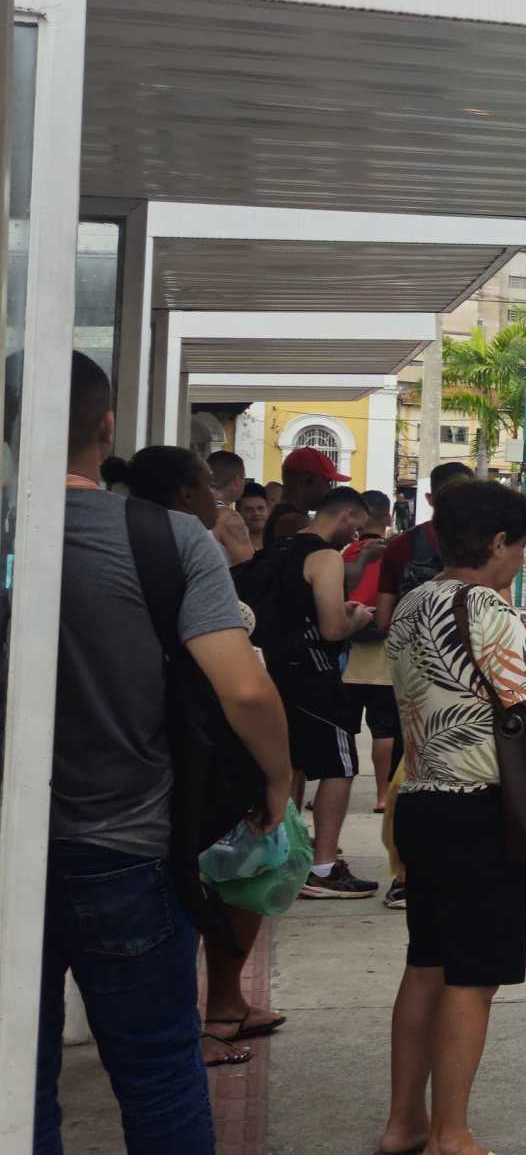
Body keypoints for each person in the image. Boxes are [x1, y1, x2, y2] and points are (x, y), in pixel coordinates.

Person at [40, 356, 294, 1155]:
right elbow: (244, 691)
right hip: (128, 846)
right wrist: (278, 776)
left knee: (19, 1074)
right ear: (106, 427)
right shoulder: (166, 537)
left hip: (17, 851)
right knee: (157, 1068)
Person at [381, 481, 526, 1155]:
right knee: (473, 979)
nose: (519, 561)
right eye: (519, 547)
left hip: (419, 801)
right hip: (480, 809)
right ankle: (453, 1134)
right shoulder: (483, 602)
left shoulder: (414, 602)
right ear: (498, 542)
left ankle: (403, 1125)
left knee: (426, 963)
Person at [121, 446, 294, 1065]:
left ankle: (222, 1003)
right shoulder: (185, 548)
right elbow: (245, 688)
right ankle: (208, 1014)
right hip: (195, 757)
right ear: (189, 497)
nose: (225, 508)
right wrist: (276, 775)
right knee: (233, 873)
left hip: (152, 764)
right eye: (217, 496)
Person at [253, 486, 379, 898]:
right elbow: (331, 628)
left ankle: (282, 853)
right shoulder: (324, 557)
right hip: (313, 673)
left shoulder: (275, 549)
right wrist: (357, 619)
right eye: (355, 529)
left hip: (270, 668)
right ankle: (323, 868)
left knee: (287, 765)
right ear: (345, 517)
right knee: (339, 765)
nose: (355, 539)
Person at [373, 462, 477, 910]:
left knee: (411, 779)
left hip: (418, 683)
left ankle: (409, 874)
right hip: (462, 687)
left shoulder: (402, 546)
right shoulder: (484, 548)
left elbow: (383, 618)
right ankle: (421, 873)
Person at [346, 491, 399, 814]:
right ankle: (382, 795)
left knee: (344, 732)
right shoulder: (397, 554)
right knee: (385, 730)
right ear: (389, 518)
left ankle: (335, 787)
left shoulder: (346, 552)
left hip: (347, 654)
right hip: (385, 656)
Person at [201, 450, 256, 565]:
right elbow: (249, 567)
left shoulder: (188, 510)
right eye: (243, 478)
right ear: (236, 481)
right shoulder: (229, 518)